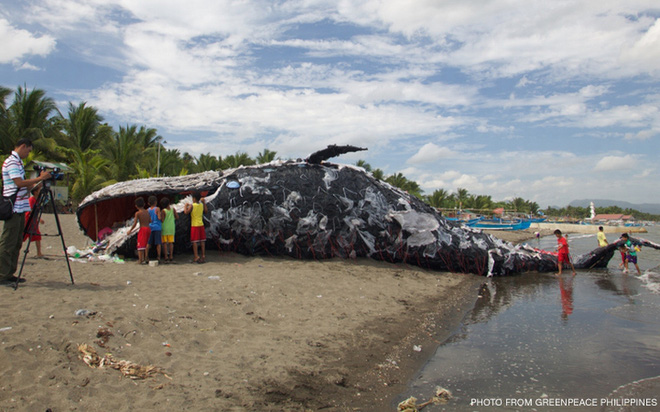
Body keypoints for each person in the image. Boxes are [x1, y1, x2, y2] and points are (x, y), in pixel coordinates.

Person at [0, 139, 50, 285]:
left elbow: (23, 187)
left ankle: (9, 273)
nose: (28, 154)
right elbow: (19, 183)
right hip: (14, 207)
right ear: (23, 147)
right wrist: (39, 178)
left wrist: (38, 182)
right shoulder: (12, 162)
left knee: (16, 242)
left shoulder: (18, 163)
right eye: (28, 150)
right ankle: (2, 275)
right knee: (8, 241)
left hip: (21, 206)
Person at [184, 191, 207, 264]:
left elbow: (186, 212)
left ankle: (196, 256)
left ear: (193, 198)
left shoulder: (192, 205)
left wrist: (185, 206)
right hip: (201, 224)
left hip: (194, 225)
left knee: (195, 242)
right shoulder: (201, 205)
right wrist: (204, 202)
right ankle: (203, 255)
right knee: (202, 241)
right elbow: (206, 211)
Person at [23, 184, 45, 258]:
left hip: (33, 219)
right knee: (23, 235)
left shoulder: (37, 199)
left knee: (37, 235)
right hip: (29, 219)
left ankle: (39, 252)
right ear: (35, 192)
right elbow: (31, 210)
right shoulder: (31, 199)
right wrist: (39, 218)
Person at [128, 197, 151, 264]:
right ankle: (146, 257)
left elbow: (135, 224)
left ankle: (140, 259)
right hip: (148, 228)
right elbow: (150, 220)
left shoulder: (138, 213)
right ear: (144, 204)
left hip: (142, 229)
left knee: (140, 245)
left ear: (136, 206)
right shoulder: (147, 212)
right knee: (146, 244)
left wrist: (130, 230)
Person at [160, 197, 178, 263]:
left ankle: (166, 256)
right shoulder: (173, 209)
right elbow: (177, 217)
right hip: (171, 228)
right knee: (171, 243)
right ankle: (171, 256)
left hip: (165, 228)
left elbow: (162, 220)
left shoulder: (163, 211)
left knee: (165, 243)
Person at [146, 195, 162, 262]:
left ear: (148, 203)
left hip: (150, 227)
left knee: (148, 243)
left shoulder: (148, 210)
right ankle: (158, 257)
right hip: (157, 227)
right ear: (156, 202)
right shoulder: (157, 209)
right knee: (158, 243)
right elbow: (159, 218)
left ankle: (146, 256)